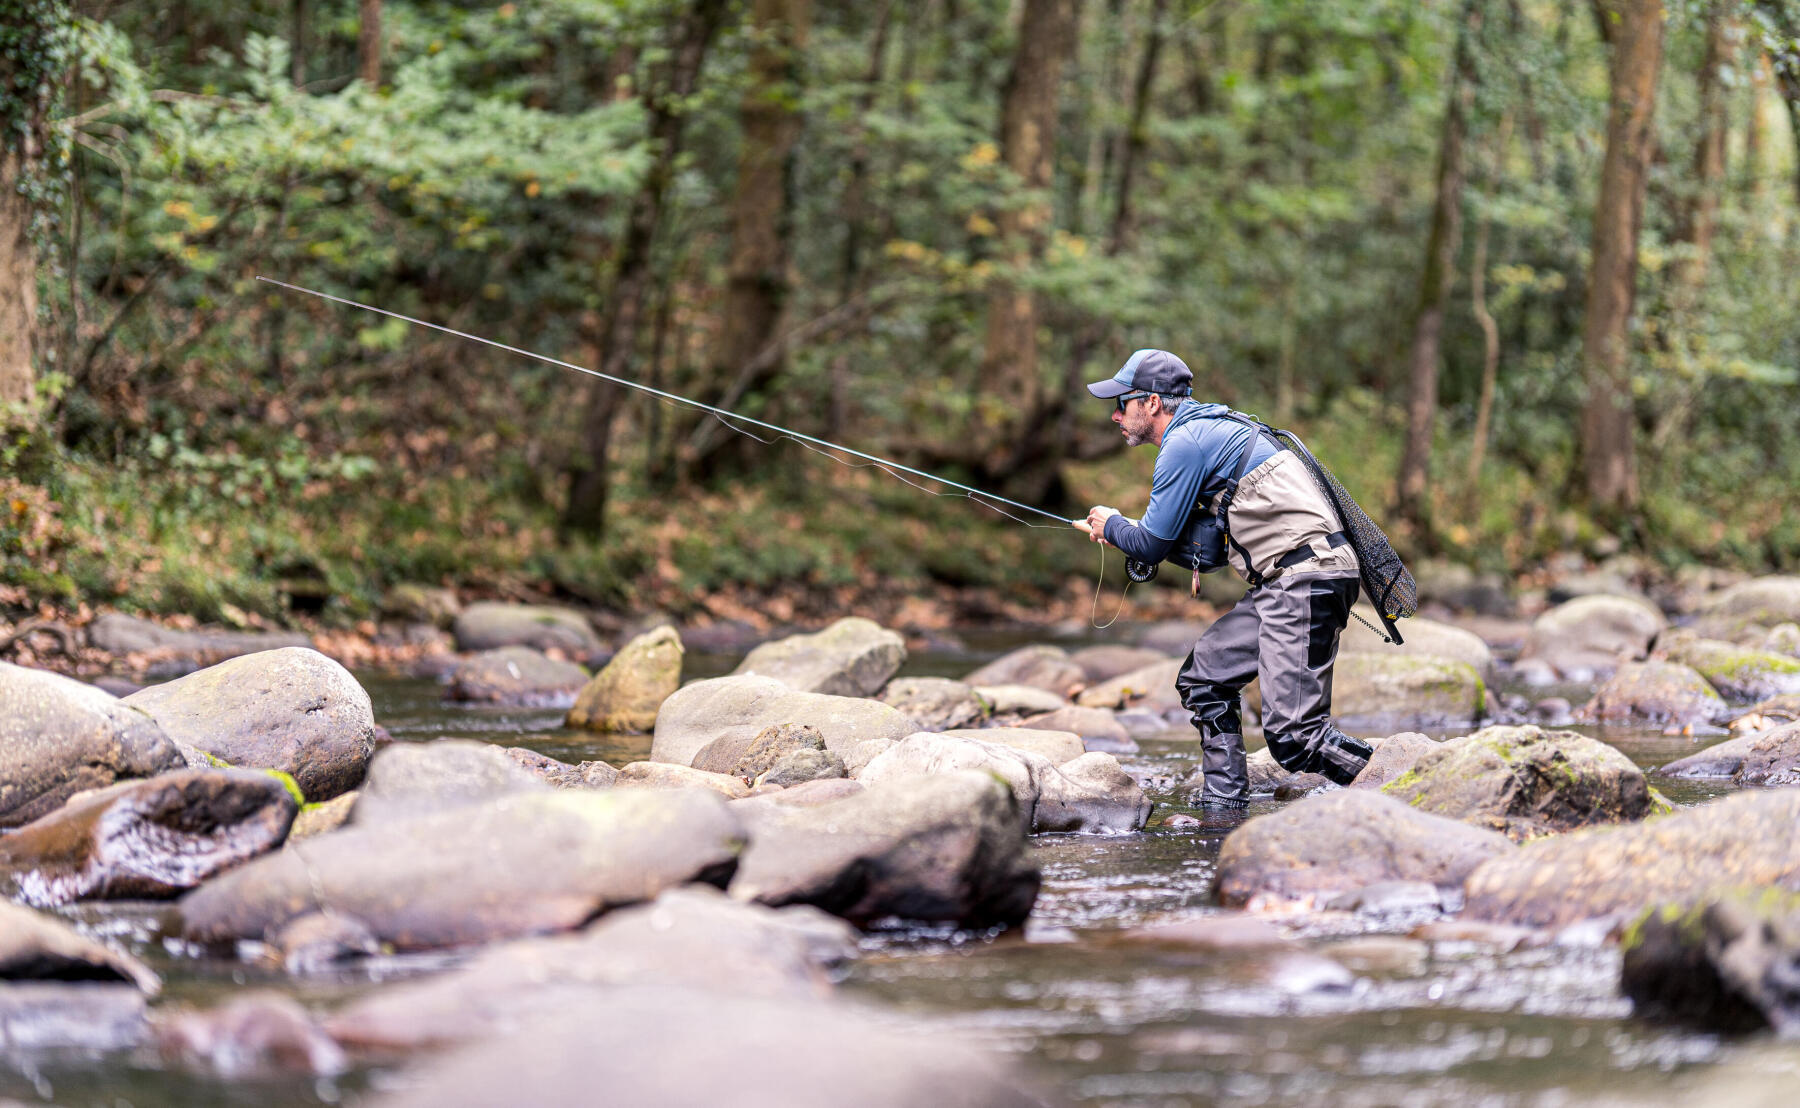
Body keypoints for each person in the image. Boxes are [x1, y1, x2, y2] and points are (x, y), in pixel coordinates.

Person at [1079, 348, 1373, 811]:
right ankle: (1223, 806)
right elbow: (1210, 551)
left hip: (1303, 578)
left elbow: (1153, 545)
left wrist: (1115, 525)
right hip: (1290, 580)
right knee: (1205, 680)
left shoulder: (1185, 443)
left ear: (1152, 403)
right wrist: (1127, 535)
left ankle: (1409, 782)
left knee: (1296, 738)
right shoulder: (1214, 430)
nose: (1115, 414)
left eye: (1123, 402)